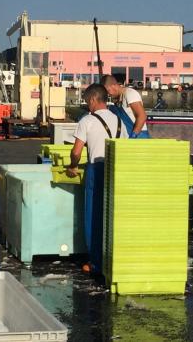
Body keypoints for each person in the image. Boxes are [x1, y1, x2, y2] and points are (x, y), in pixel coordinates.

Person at [67, 83, 128, 273]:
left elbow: (76, 151)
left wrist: (73, 166)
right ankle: (113, 260)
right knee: (112, 215)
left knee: (93, 215)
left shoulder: (88, 120)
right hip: (116, 168)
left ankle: (95, 262)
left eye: (87, 101)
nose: (87, 105)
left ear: (93, 99)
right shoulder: (119, 121)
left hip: (96, 169)